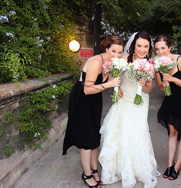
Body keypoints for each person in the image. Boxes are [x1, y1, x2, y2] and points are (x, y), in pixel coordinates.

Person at [98, 32, 159, 188]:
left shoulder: (150, 64)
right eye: (139, 46)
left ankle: (139, 168)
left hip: (140, 102)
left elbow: (148, 89)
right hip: (125, 100)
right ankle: (123, 168)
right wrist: (116, 88)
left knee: (138, 132)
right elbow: (113, 77)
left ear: (149, 47)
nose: (142, 49)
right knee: (124, 132)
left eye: (146, 46)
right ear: (133, 46)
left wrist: (143, 82)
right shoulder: (124, 60)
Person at [62, 36, 124, 188]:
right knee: (87, 139)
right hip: (82, 99)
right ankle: (87, 174)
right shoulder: (96, 62)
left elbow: (106, 81)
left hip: (95, 99)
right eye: (113, 51)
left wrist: (117, 86)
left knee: (95, 136)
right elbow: (87, 89)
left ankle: (95, 170)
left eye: (119, 52)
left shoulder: (110, 63)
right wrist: (109, 83)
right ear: (106, 48)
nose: (116, 55)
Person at [154, 35, 181, 180]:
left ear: (170, 48)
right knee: (172, 133)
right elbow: (160, 86)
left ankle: (177, 166)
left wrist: (172, 79)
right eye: (157, 49)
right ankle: (169, 165)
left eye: (163, 48)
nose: (160, 52)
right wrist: (163, 85)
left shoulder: (180, 60)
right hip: (170, 101)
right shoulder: (157, 65)